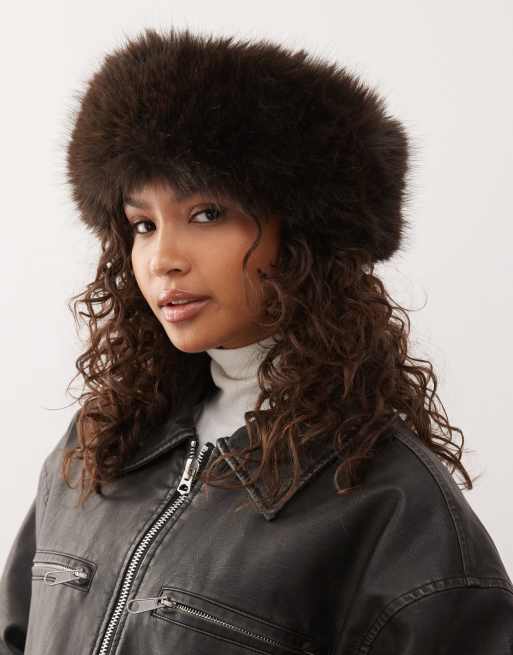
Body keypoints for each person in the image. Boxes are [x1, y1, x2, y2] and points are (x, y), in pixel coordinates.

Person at [1, 26, 512, 655]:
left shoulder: (394, 507)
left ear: (300, 237)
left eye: (207, 213)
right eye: (142, 224)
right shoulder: (99, 447)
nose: (162, 258)